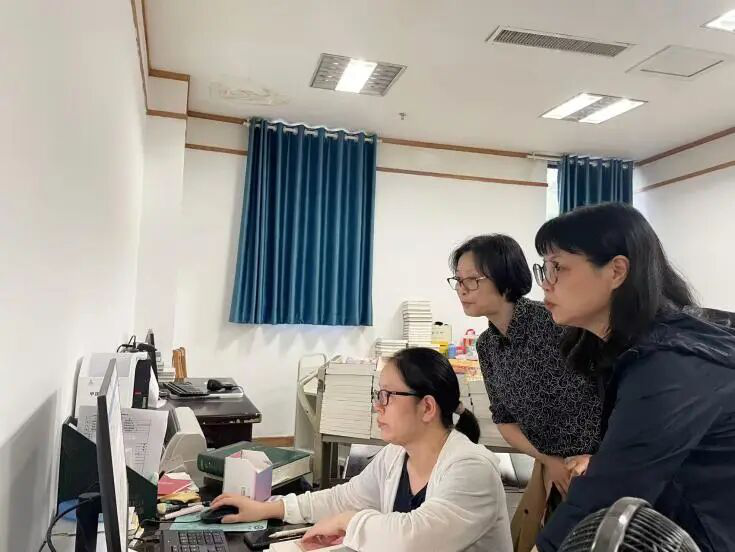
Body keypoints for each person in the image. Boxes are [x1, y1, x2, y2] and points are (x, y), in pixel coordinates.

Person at [532, 203, 735, 552]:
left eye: (558, 267)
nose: (546, 284)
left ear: (616, 271)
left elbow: (603, 500)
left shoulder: (671, 364)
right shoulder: (626, 347)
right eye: (544, 268)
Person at [211, 347, 513, 552]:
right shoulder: (396, 455)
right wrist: (268, 508)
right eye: (377, 394)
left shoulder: (472, 467)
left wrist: (347, 522)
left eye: (387, 396)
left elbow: (415, 538)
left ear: (427, 407)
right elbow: (344, 497)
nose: (377, 406)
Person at [449, 235, 601, 550]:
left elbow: (611, 391)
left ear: (504, 278)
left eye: (472, 280)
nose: (462, 289)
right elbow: (504, 420)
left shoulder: (556, 323)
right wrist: (549, 460)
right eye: (458, 280)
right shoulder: (488, 346)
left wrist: (595, 459)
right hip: (554, 470)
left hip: (600, 466)